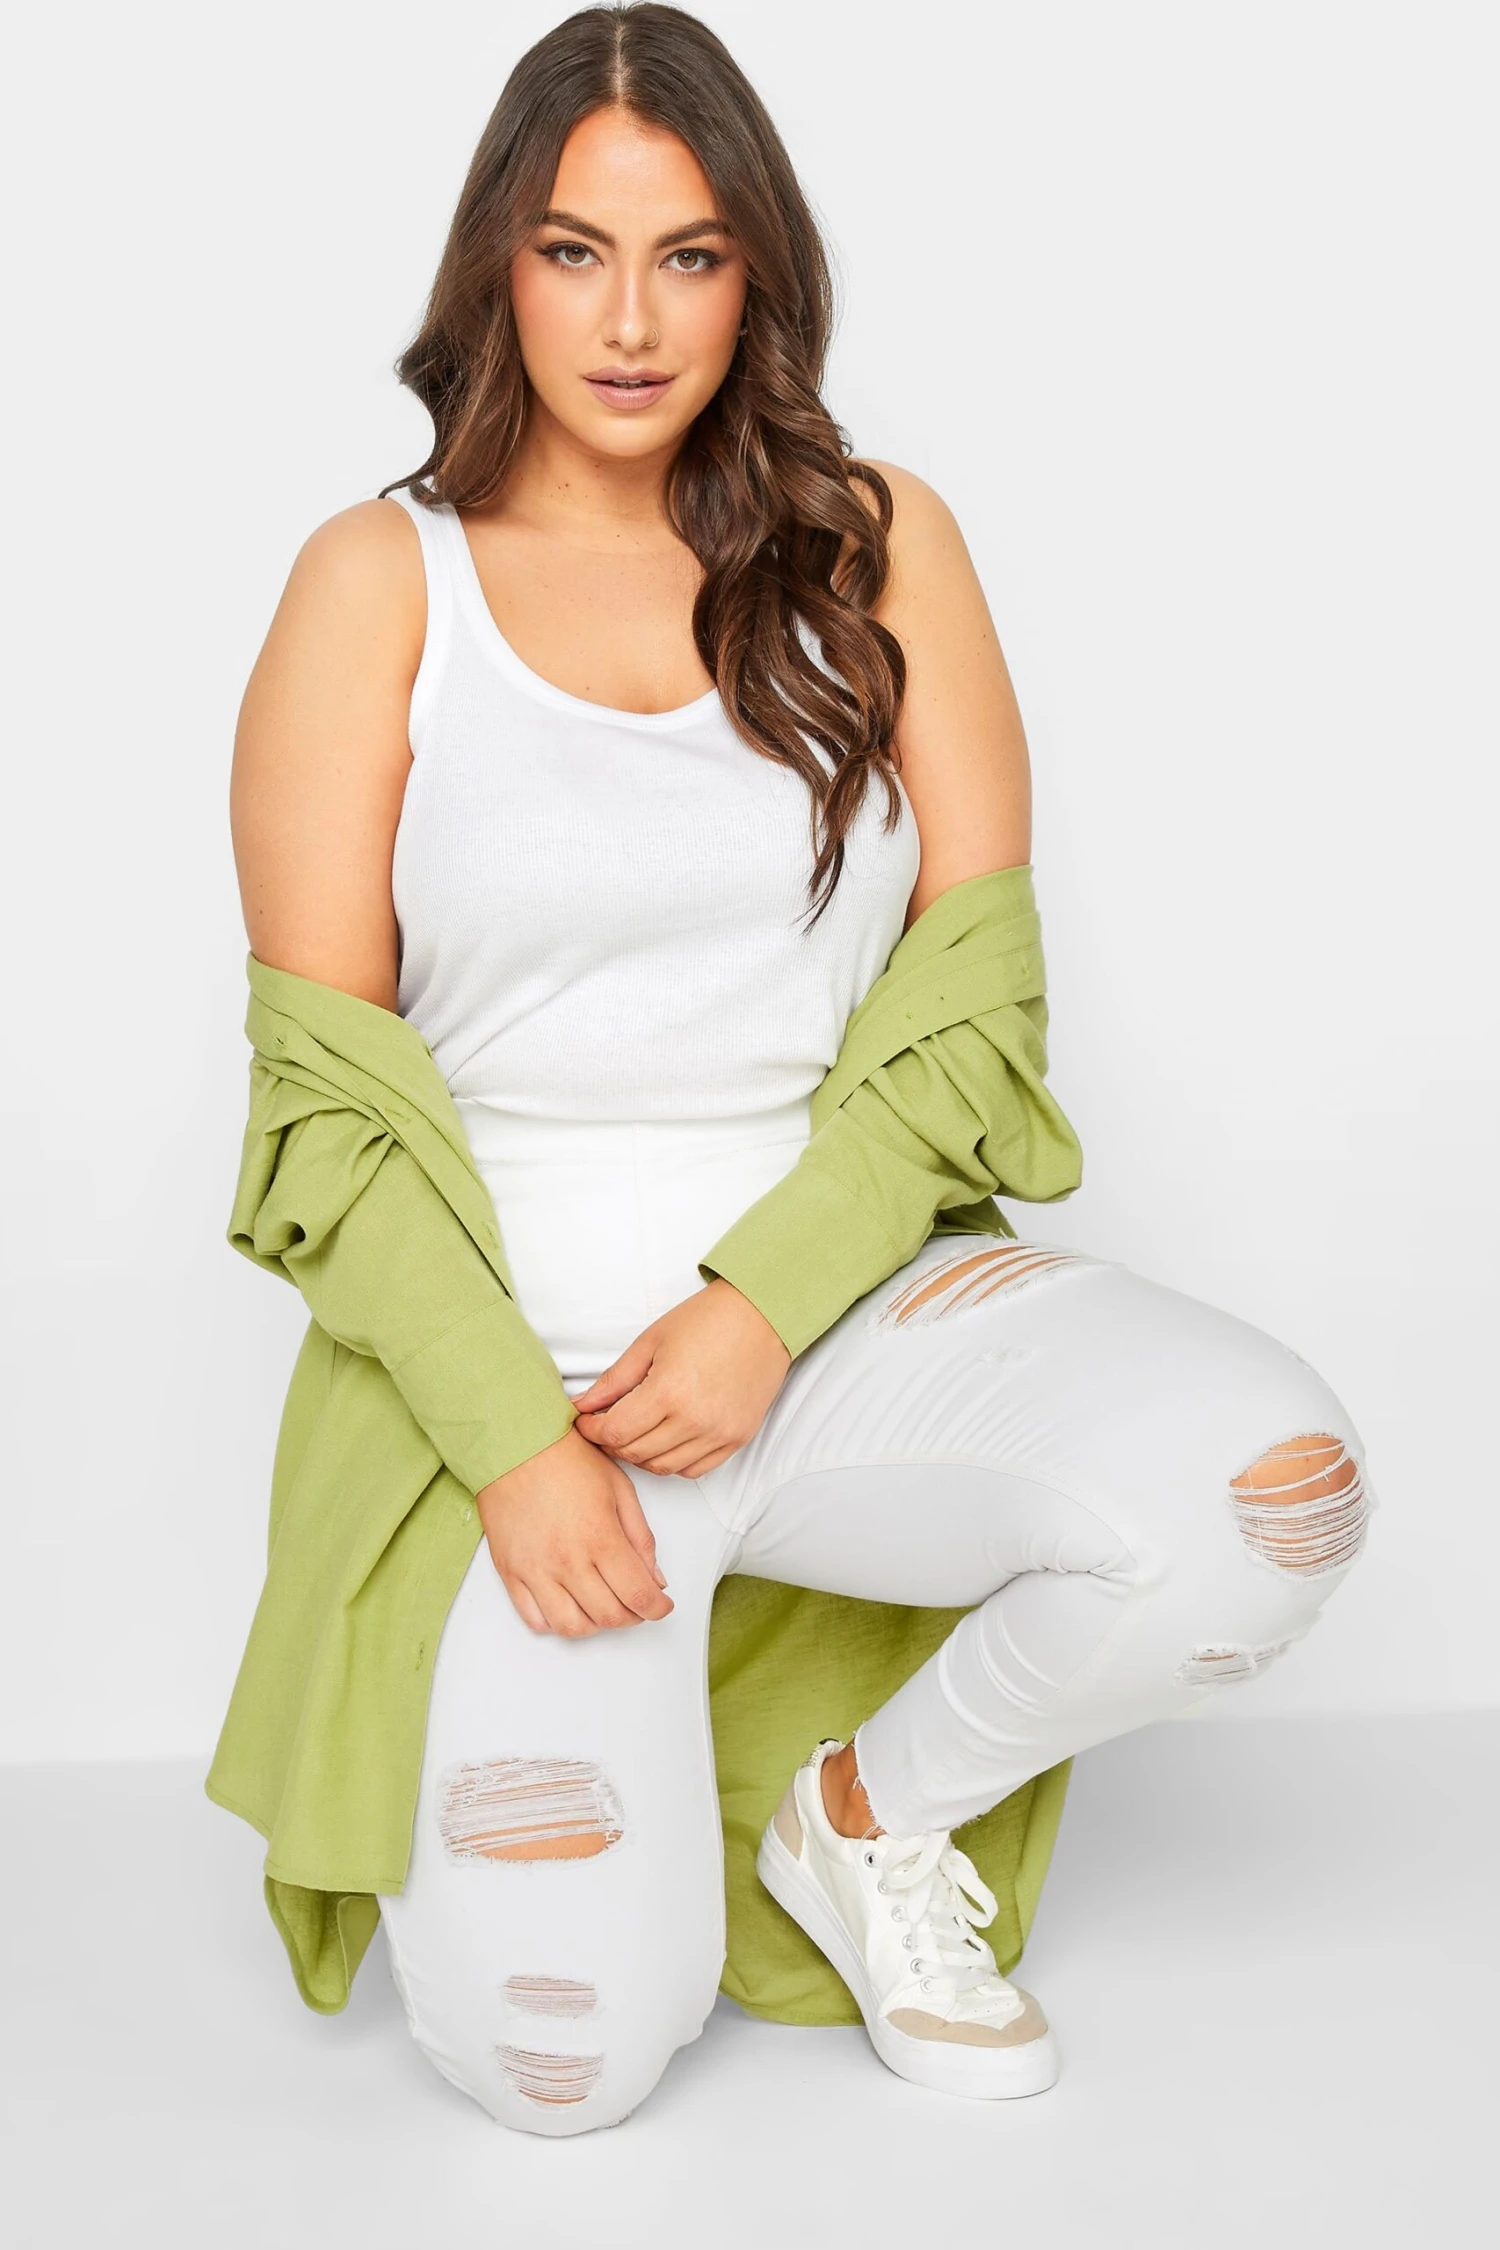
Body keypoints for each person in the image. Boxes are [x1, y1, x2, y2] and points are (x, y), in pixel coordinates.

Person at [228, 2, 1375, 2135]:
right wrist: (514, 1443)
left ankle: (864, 1813)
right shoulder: (378, 583)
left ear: (758, 271)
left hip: (839, 1329)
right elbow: (322, 1113)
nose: (631, 321)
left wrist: (764, 1303)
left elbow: (973, 1006)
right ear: (497, 267)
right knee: (564, 2071)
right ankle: (591, 1764)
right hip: (524, 1405)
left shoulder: (875, 541)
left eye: (690, 256)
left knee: (1273, 1494)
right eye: (575, 253)